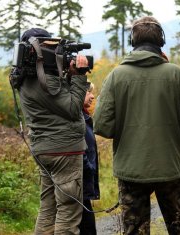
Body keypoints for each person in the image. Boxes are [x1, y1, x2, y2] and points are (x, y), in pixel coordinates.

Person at [93, 16, 180, 235]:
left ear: (133, 41)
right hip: (171, 168)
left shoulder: (115, 77)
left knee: (135, 230)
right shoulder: (177, 75)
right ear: (161, 41)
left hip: (131, 170)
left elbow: (102, 126)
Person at [17, 28, 89, 234]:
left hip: (44, 150)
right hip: (63, 151)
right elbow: (74, 108)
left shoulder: (25, 78)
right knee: (68, 211)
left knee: (48, 210)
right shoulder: (45, 81)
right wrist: (79, 77)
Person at [79, 81, 100, 235]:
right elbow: (80, 150)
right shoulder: (77, 119)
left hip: (84, 186)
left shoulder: (85, 117)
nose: (92, 96)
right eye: (88, 92)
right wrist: (89, 167)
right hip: (79, 185)